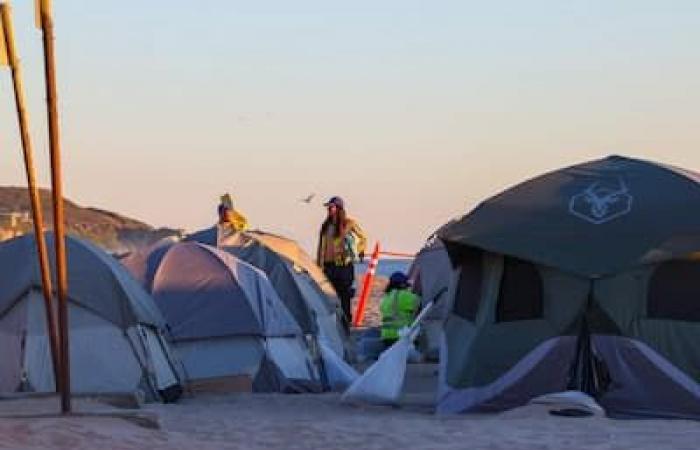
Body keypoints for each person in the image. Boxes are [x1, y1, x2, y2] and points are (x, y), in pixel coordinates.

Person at [317, 196, 367, 329]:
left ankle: (346, 323)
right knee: (331, 296)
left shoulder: (349, 223)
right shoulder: (325, 226)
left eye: (331, 207)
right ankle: (335, 325)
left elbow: (363, 237)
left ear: (338, 208)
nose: (329, 209)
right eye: (328, 207)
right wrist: (319, 265)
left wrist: (359, 250)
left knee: (345, 295)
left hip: (344, 266)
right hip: (328, 266)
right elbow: (321, 247)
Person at [380, 271, 420, 347]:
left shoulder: (386, 297)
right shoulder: (403, 295)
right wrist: (417, 288)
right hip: (399, 336)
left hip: (386, 336)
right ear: (402, 284)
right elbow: (420, 302)